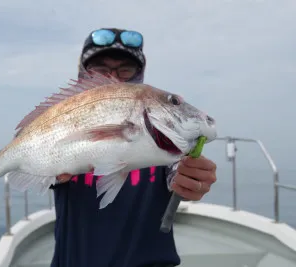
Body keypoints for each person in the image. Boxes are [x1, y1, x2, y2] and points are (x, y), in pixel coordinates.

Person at [50, 28, 217, 267]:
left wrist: (192, 180)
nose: (114, 78)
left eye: (125, 70)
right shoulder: (61, 123)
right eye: (100, 70)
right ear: (83, 74)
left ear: (140, 76)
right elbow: (38, 168)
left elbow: (178, 175)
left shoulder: (164, 138)